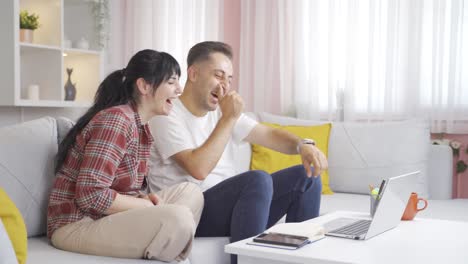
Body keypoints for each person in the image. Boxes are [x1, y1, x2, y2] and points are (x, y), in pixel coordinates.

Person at [147, 42, 328, 264]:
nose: (225, 85)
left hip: (238, 206)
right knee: (257, 180)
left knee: (306, 177)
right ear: (193, 74)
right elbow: (198, 168)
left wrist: (303, 145)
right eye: (218, 75)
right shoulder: (166, 113)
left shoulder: (221, 114)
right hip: (190, 212)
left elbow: (270, 135)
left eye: (229, 79)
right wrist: (228, 119)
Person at [47, 49, 203, 262]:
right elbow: (90, 195)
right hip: (76, 225)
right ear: (144, 86)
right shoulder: (116, 120)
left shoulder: (142, 128)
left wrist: (142, 198)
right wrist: (146, 206)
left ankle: (164, 247)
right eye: (172, 82)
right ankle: (168, 247)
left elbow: (121, 189)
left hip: (106, 217)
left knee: (191, 192)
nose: (179, 90)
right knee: (178, 218)